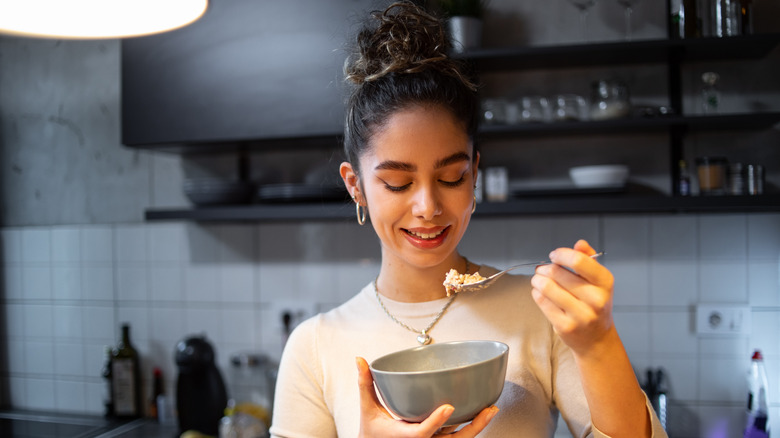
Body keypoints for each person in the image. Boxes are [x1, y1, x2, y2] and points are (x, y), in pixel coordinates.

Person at [270, 2, 667, 437]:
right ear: (356, 186)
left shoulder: (541, 315)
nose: (428, 207)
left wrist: (599, 343)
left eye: (451, 178)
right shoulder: (315, 346)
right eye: (398, 183)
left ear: (474, 175)